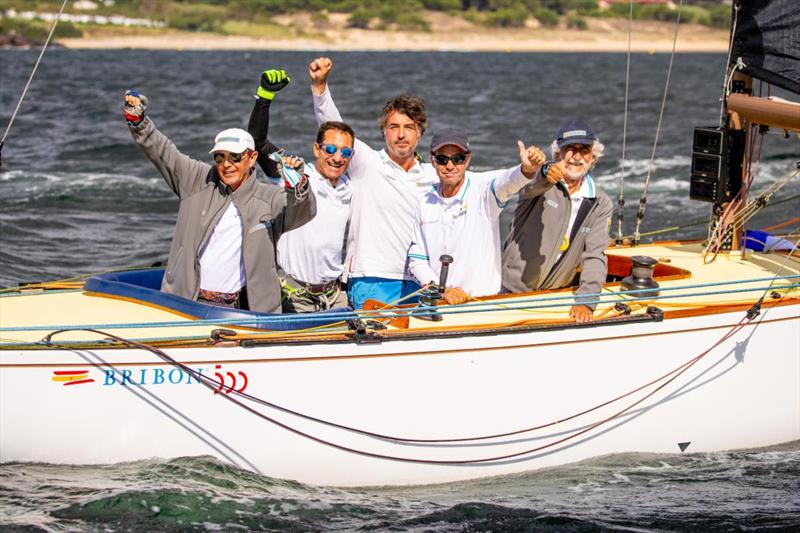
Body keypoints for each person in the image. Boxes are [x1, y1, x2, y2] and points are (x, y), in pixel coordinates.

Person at [308, 57, 510, 309]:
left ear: (420, 133)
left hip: (422, 280)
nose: (401, 134)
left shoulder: (434, 174)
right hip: (371, 277)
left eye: (409, 127)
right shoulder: (367, 163)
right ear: (384, 132)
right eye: (394, 127)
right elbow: (332, 127)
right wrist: (320, 88)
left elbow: (487, 184)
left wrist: (532, 172)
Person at [123, 90, 316, 313]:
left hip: (246, 311)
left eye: (235, 157)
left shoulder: (269, 198)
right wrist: (138, 121)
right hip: (187, 304)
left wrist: (299, 183)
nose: (226, 164)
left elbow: (303, 211)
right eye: (219, 157)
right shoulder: (197, 179)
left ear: (252, 158)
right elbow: (163, 152)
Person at [247, 68, 354, 312]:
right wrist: (264, 98)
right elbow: (258, 143)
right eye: (330, 150)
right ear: (317, 149)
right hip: (296, 295)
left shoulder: (351, 186)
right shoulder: (297, 175)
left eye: (345, 152)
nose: (337, 158)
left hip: (335, 295)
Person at [407, 128, 547, 304]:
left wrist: (527, 170)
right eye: (443, 159)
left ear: (468, 159)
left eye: (457, 159)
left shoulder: (484, 191)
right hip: (440, 303)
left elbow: (508, 182)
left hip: (482, 303)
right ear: (432, 160)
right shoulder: (424, 202)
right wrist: (443, 290)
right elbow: (417, 260)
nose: (450, 166)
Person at [501, 118, 613, 323]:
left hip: (555, 295)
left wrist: (587, 300)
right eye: (570, 148)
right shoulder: (540, 183)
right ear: (558, 154)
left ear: (593, 157)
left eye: (584, 150)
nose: (576, 156)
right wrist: (544, 171)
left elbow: (595, 254)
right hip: (511, 292)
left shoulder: (601, 202)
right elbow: (530, 185)